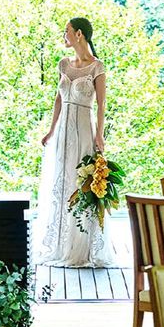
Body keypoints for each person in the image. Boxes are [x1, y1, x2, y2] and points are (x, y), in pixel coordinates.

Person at [33, 17, 117, 268]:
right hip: (63, 132)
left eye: (67, 31)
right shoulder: (63, 64)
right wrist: (51, 130)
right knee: (62, 183)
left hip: (83, 130)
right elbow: (58, 100)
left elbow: (101, 105)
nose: (64, 36)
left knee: (80, 183)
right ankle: (61, 245)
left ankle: (82, 246)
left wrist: (99, 135)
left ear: (79, 34)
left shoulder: (97, 67)